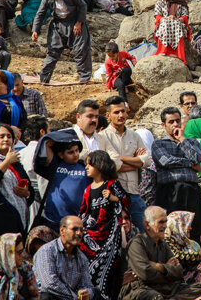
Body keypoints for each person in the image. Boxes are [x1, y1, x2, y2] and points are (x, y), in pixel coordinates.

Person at [119, 206, 201, 300]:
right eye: (161, 222)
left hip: (164, 288)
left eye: (165, 221)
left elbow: (178, 271)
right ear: (147, 225)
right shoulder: (137, 243)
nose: (165, 225)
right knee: (154, 296)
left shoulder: (163, 244)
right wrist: (168, 271)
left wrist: (160, 267)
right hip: (139, 288)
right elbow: (145, 274)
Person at [78, 150, 129, 300]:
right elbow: (84, 212)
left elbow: (125, 200)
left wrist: (113, 198)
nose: (86, 168)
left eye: (90, 164)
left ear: (100, 166)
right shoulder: (88, 189)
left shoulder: (112, 184)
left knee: (109, 272)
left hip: (110, 237)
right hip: (92, 238)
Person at [96, 96, 150, 230]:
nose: (121, 115)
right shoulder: (102, 137)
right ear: (108, 115)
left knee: (143, 234)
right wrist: (136, 162)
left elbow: (147, 161)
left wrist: (121, 158)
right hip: (112, 194)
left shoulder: (135, 136)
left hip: (134, 194)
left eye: (123, 111)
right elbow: (110, 167)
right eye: (116, 112)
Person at [152, 107, 201, 242]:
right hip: (170, 191)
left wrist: (182, 139)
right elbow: (166, 161)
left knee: (194, 228)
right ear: (163, 125)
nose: (175, 124)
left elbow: (197, 159)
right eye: (171, 122)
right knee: (170, 229)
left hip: (192, 190)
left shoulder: (191, 142)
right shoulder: (158, 144)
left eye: (177, 121)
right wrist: (189, 164)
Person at [31, 0, 93, 83]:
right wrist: (35, 30)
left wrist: (79, 23)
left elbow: (83, 6)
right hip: (57, 24)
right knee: (52, 52)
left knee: (81, 50)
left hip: (74, 23)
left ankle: (84, 78)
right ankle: (44, 78)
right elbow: (40, 14)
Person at [33, 128, 91, 232]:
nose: (75, 154)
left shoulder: (85, 167)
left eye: (77, 150)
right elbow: (47, 143)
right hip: (54, 219)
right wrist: (62, 138)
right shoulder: (55, 165)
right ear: (60, 155)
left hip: (77, 219)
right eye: (70, 152)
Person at [33, 215, 94, 300]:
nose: (79, 233)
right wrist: (74, 296)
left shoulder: (81, 258)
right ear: (62, 230)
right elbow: (49, 284)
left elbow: (87, 284)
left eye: (81, 230)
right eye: (74, 229)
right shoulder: (47, 251)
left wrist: (87, 293)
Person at [164, 211, 201, 288]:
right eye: (187, 224)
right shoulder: (167, 240)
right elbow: (177, 256)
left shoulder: (190, 243)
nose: (190, 228)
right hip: (177, 281)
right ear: (178, 225)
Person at [0, 232, 40, 300]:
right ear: (7, 254)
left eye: (22, 251)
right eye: (19, 252)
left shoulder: (25, 269)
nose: (22, 255)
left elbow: (35, 295)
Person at [153, 0, 191, 64]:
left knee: (175, 23)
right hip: (163, 24)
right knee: (165, 23)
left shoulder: (181, 2)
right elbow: (158, 16)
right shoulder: (160, 3)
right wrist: (166, 19)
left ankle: (177, 54)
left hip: (179, 24)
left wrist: (176, 19)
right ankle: (164, 51)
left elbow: (185, 16)